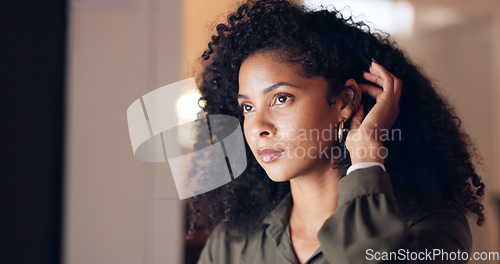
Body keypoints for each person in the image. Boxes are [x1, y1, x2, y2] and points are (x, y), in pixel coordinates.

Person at [187, 0, 485, 263]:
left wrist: (366, 155)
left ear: (345, 102)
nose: (258, 128)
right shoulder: (230, 244)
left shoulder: (430, 225)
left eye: (281, 98)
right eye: (248, 108)